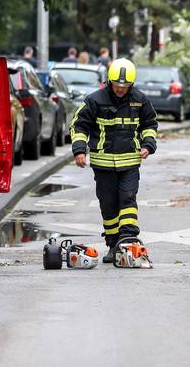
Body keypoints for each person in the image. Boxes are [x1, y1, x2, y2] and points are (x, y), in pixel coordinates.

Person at [70, 58, 158, 263]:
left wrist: (148, 145)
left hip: (129, 163)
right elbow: (78, 125)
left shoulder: (140, 100)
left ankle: (128, 240)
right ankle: (112, 245)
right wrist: (79, 150)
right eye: (117, 86)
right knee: (109, 206)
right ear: (110, 82)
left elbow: (150, 124)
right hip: (103, 165)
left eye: (125, 86)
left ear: (131, 84)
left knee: (127, 198)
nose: (121, 90)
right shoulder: (94, 100)